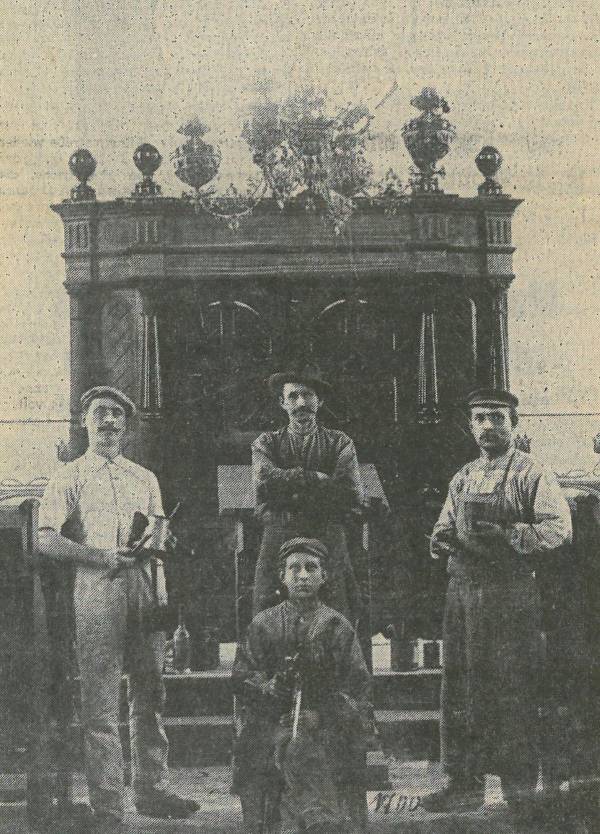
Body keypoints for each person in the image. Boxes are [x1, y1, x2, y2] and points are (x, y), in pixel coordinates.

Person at [37, 386, 198, 833]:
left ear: (126, 426)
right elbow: (45, 539)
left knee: (151, 691)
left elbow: (159, 537)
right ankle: (108, 804)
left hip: (144, 584)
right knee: (101, 697)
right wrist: (101, 556)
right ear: (85, 422)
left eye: (116, 415)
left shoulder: (144, 478)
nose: (108, 422)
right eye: (99, 414)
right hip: (96, 585)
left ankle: (151, 788)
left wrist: (161, 587)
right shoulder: (69, 476)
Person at [422, 388, 572, 817]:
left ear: (514, 423)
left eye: (497, 418)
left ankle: (519, 789)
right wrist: (442, 538)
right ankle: (462, 782)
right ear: (470, 427)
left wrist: (510, 537)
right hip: (463, 596)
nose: (488, 426)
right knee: (461, 687)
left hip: (510, 597)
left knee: (511, 687)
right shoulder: (463, 476)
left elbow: (558, 528)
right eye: (480, 419)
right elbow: (444, 524)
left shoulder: (532, 473)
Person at [232, 537, 373, 834]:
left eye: (311, 568)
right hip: (272, 720)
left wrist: (322, 715)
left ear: (325, 576)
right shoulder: (263, 624)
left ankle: (320, 821)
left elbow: (357, 687)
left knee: (303, 748)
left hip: (327, 724)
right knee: (271, 746)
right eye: (294, 569)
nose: (303, 575)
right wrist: (269, 688)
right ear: (281, 576)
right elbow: (243, 676)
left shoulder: (337, 626)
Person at [252, 365, 364, 621]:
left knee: (338, 604)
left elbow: (348, 494)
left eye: (308, 395)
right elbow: (264, 484)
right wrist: (315, 477)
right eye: (293, 396)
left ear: (320, 400)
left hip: (327, 529)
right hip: (281, 528)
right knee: (265, 604)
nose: (301, 403)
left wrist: (288, 488)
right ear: (282, 403)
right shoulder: (265, 443)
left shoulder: (340, 443)